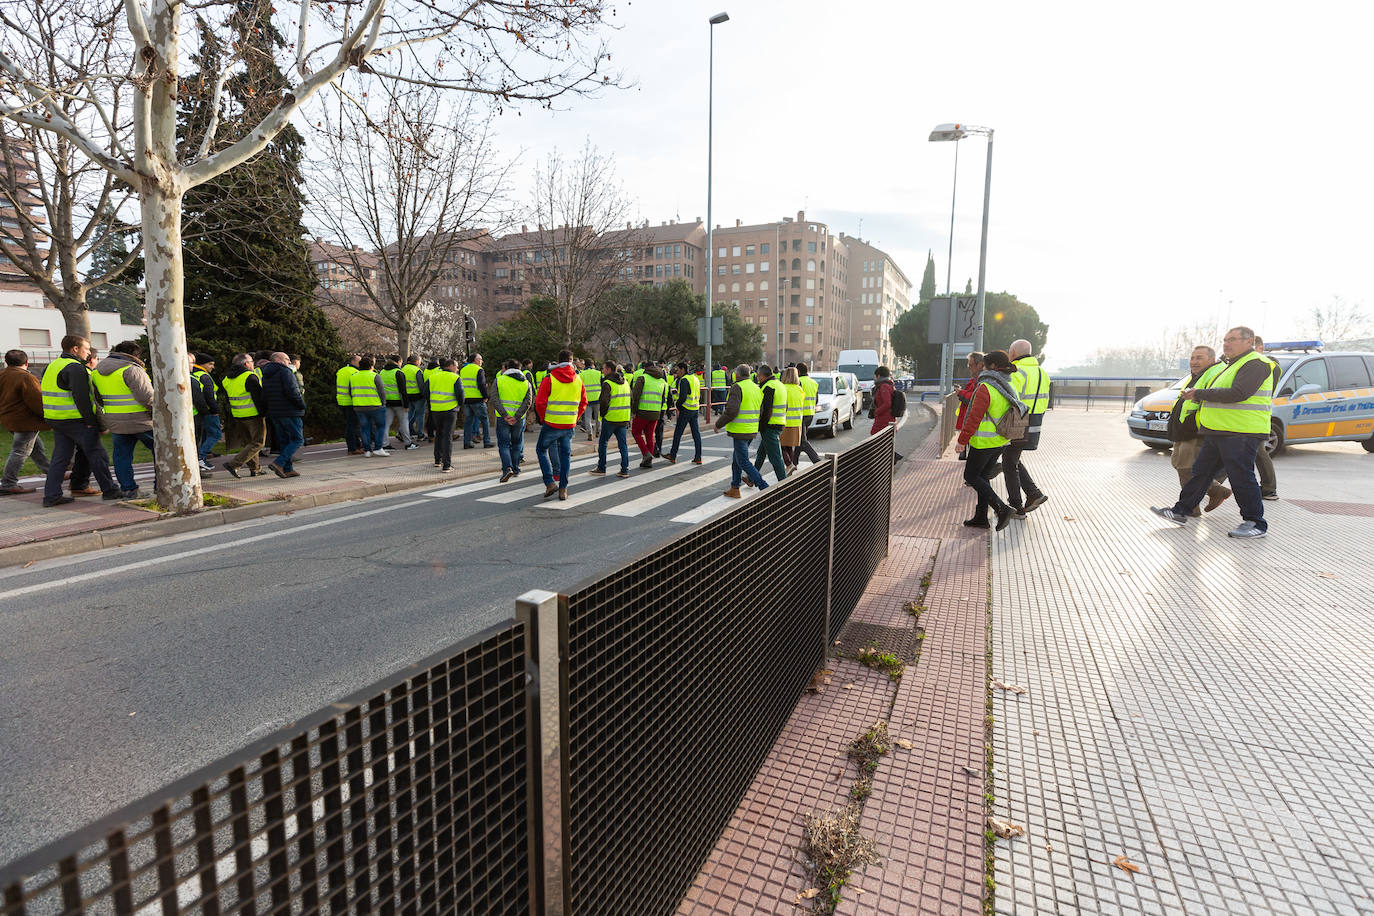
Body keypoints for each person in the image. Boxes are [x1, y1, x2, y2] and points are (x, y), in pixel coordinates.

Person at [1152, 326, 1273, 538]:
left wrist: (1199, 393)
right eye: (1225, 340)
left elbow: (1239, 393)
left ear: (1249, 341)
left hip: (1241, 432)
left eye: (1233, 339)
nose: (1227, 344)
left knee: (1241, 477)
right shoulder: (1231, 365)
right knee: (1201, 472)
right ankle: (1181, 511)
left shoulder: (1256, 363)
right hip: (1218, 430)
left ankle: (1256, 522)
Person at [40, 335, 119, 506]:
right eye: (86, 349)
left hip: (56, 418)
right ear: (75, 349)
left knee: (60, 458)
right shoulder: (75, 368)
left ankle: (51, 496)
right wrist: (91, 421)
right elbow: (81, 398)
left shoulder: (52, 365)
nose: (89, 352)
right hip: (76, 420)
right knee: (98, 454)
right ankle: (110, 490)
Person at [954, 350, 1023, 531]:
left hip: (983, 443)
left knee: (971, 476)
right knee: (983, 477)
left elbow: (974, 417)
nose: (982, 368)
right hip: (1000, 441)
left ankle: (1002, 509)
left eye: (984, 365)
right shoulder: (1009, 385)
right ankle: (981, 516)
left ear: (991, 367)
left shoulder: (986, 387)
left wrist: (962, 440)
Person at [1166, 345, 1231, 516]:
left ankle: (1191, 508)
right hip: (1185, 427)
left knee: (1186, 467)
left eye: (1199, 358)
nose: (1194, 362)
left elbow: (1213, 397)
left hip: (1196, 429)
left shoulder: (1216, 373)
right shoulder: (1200, 374)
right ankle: (1216, 490)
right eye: (1193, 357)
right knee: (1180, 464)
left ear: (1211, 359)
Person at [91, 340, 156, 499]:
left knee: (121, 457)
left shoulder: (96, 372)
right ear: (135, 354)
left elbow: (98, 398)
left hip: (116, 422)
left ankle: (128, 490)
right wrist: (158, 413)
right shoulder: (132, 370)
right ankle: (161, 486)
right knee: (161, 453)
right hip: (142, 421)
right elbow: (147, 398)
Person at [1005, 339, 1051, 516]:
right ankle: (1032, 494)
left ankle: (1017, 507)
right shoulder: (1042, 373)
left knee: (1009, 462)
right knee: (1012, 459)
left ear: (1013, 353)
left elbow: (1009, 398)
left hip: (1019, 420)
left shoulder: (1017, 371)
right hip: (1036, 421)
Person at [534, 349, 586, 500]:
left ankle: (550, 483)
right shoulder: (578, 379)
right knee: (565, 456)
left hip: (551, 422)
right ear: (571, 361)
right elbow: (583, 402)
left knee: (541, 450)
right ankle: (563, 489)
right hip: (569, 424)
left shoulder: (550, 378)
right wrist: (576, 418)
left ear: (558, 361)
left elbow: (540, 402)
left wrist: (543, 418)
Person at [0, 349, 50, 494]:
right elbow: (37, 401)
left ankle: (51, 471)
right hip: (26, 421)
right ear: (27, 362)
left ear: (6, 362)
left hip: (9, 419)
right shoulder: (26, 377)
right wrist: (48, 417)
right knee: (20, 451)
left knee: (36, 447)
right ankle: (8, 483)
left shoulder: (2, 375)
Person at [714, 364, 769, 497]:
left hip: (740, 430)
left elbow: (732, 410)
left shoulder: (737, 387)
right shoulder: (756, 388)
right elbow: (761, 410)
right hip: (751, 429)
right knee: (736, 459)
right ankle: (735, 487)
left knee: (742, 461)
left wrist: (718, 424)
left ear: (737, 374)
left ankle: (764, 486)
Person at [222, 352, 268, 477]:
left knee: (249, 442)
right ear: (246, 364)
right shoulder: (250, 377)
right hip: (253, 415)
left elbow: (227, 398)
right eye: (252, 362)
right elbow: (258, 398)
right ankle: (233, 464)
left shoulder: (227, 379)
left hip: (237, 415)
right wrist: (264, 412)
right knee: (258, 442)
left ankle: (255, 469)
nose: (253, 364)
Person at [261, 352, 306, 478]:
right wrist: (302, 405)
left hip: (275, 412)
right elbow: (292, 392)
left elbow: (264, 394)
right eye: (287, 359)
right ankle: (278, 463)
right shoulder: (285, 372)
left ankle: (288, 468)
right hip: (289, 411)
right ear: (279, 360)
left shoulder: (266, 374)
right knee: (297, 439)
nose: (289, 362)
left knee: (284, 441)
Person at [590, 360, 632, 477]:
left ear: (608, 369)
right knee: (623, 445)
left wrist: (603, 414)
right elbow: (630, 399)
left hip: (610, 418)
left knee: (603, 443)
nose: (602, 371)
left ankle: (601, 467)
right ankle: (625, 470)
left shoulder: (607, 383)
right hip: (623, 418)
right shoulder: (625, 382)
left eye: (603, 368)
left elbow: (603, 402)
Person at [493, 358, 532, 482]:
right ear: (520, 369)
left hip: (502, 418)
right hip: (519, 420)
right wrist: (517, 416)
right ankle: (515, 468)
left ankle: (507, 468)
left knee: (504, 444)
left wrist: (505, 415)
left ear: (507, 368)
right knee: (516, 443)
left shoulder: (499, 380)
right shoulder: (526, 383)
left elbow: (494, 399)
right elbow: (528, 402)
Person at [1252, 336, 1280, 501]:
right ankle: (1211, 485)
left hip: (1255, 417)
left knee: (1255, 451)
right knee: (1251, 452)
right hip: (1250, 417)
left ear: (1261, 347)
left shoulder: (1268, 365)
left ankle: (1269, 489)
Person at [424, 358, 462, 472]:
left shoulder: (433, 377)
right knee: (447, 436)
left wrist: (433, 402)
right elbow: (460, 395)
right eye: (456, 366)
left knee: (439, 434)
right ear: (450, 366)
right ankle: (447, 465)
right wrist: (459, 405)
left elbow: (425, 392)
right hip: (450, 410)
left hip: (436, 409)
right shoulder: (455, 378)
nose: (457, 369)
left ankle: (437, 460)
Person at [751, 364, 787, 482]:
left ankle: (784, 484)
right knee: (761, 453)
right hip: (779, 422)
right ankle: (752, 478)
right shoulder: (780, 385)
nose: (757, 378)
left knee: (776, 458)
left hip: (770, 425)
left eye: (758, 376)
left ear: (761, 376)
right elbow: (786, 406)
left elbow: (767, 410)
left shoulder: (768, 387)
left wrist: (761, 426)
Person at [630, 360, 667, 468]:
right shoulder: (662, 381)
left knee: (636, 433)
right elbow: (663, 398)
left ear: (644, 368)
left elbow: (635, 396)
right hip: (656, 412)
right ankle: (648, 460)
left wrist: (634, 411)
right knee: (650, 435)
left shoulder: (642, 378)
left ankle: (646, 454)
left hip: (643, 411)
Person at [666, 362, 703, 465]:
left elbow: (682, 397)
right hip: (695, 409)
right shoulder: (695, 378)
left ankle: (673, 455)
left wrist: (678, 405)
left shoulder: (684, 380)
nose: (676, 372)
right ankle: (698, 457)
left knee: (678, 433)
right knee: (696, 434)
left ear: (683, 369)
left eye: (677, 370)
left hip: (686, 409)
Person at [191, 353, 221, 473]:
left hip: (199, 412)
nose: (212, 367)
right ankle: (201, 457)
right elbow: (209, 396)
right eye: (210, 364)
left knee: (204, 436)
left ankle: (201, 458)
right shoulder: (204, 376)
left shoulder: (194, 375)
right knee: (215, 435)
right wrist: (214, 411)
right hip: (209, 411)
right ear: (202, 364)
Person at [460, 353, 492, 449]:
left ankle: (467, 442)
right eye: (480, 359)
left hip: (466, 399)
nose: (482, 361)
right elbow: (481, 385)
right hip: (477, 399)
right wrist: (486, 396)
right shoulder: (479, 370)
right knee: (485, 420)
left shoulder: (462, 370)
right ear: (476, 360)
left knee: (468, 421)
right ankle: (487, 441)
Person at [793, 362, 821, 466]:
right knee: (800, 440)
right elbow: (816, 400)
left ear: (798, 372)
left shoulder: (798, 382)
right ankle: (793, 462)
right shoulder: (814, 382)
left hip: (800, 414)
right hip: (810, 413)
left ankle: (817, 461)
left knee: (802, 440)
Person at [336, 354, 363, 455]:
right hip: (351, 402)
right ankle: (352, 448)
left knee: (350, 425)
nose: (360, 363)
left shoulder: (341, 370)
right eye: (359, 361)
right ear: (353, 361)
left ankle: (356, 444)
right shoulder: (355, 372)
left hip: (341, 401)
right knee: (352, 426)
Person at [780, 366, 804, 469]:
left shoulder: (783, 388)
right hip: (797, 422)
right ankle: (791, 465)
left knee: (781, 446)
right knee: (790, 446)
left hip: (784, 421)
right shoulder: (800, 389)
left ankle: (789, 465)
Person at [400, 354, 426, 442]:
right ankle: (420, 434)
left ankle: (401, 432)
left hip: (407, 396)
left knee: (408, 416)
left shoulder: (402, 369)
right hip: (418, 396)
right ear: (417, 361)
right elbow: (421, 385)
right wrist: (424, 394)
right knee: (420, 416)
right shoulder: (417, 370)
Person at [578, 359, 603, 441]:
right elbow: (603, 385)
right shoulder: (598, 373)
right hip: (597, 398)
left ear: (585, 365)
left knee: (587, 418)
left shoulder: (582, 374)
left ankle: (590, 433)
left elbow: (579, 387)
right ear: (593, 365)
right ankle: (598, 431)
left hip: (586, 399)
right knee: (598, 417)